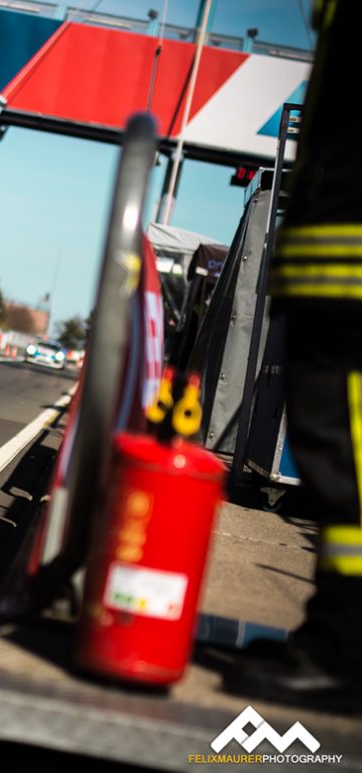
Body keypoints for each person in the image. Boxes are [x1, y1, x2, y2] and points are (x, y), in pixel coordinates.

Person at [222, 0, 362, 712]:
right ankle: (333, 634)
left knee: (350, 467)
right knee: (332, 466)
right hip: (330, 258)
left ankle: (346, 650)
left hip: (351, 260)